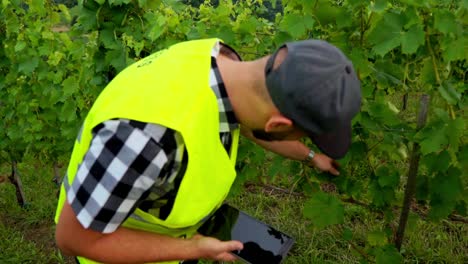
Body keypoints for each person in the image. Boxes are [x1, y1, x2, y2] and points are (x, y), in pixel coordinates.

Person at [54, 38, 361, 264]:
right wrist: (194, 248)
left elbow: (248, 122)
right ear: (278, 124)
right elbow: (73, 238)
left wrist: (310, 156)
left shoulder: (220, 62)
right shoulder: (145, 140)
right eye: (301, 134)